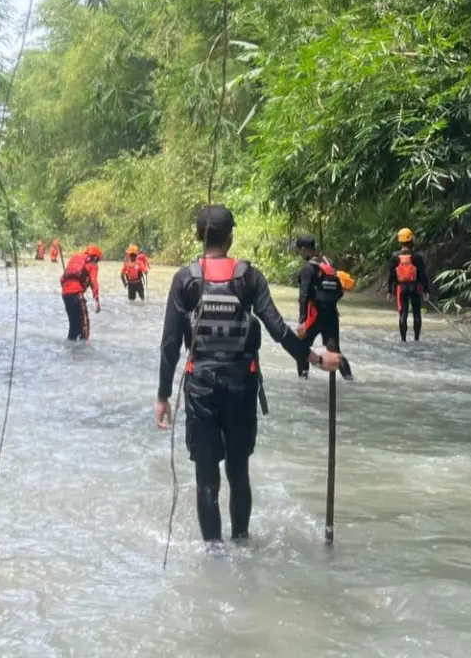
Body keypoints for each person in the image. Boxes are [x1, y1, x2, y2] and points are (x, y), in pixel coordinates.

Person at [155, 206, 342, 545]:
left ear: (198, 236)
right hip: (242, 387)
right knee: (238, 472)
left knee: (207, 479)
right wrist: (316, 359)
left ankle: (214, 555)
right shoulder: (249, 278)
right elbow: (278, 330)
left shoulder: (185, 279)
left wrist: (163, 395)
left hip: (200, 389)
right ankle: (241, 542)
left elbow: (169, 344)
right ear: (230, 238)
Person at [293, 235, 355, 380]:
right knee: (335, 351)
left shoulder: (308, 268)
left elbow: (304, 295)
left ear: (304, 249)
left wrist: (302, 320)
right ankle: (350, 379)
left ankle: (303, 381)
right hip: (331, 315)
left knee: (301, 348)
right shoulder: (328, 263)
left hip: (314, 316)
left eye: (299, 250)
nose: (298, 253)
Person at [387, 227, 433, 342]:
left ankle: (403, 340)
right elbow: (423, 274)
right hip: (415, 288)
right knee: (417, 314)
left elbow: (391, 275)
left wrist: (390, 291)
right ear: (411, 240)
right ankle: (416, 339)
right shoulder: (417, 257)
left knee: (403, 314)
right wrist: (426, 290)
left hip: (401, 289)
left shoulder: (395, 257)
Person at [59, 244, 102, 340]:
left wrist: (69, 289)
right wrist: (96, 300)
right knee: (84, 324)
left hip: (65, 295)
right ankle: (85, 347)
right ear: (95, 257)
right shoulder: (92, 264)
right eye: (98, 260)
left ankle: (70, 346)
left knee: (73, 325)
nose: (97, 262)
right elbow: (94, 281)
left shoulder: (75, 259)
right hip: (76, 294)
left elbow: (62, 280)